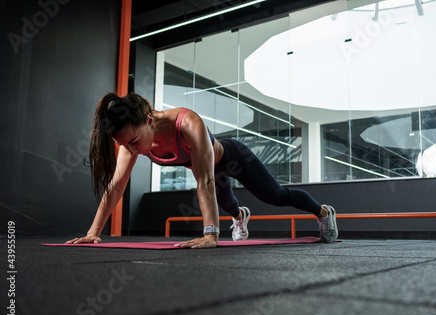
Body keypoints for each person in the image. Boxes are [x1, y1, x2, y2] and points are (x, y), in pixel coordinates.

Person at [66, 93, 338, 249]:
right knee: (230, 204)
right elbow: (116, 187)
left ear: (149, 121)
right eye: (124, 145)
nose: (130, 150)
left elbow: (205, 179)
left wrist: (211, 234)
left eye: (134, 142)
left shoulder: (187, 122)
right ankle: (240, 217)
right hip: (208, 173)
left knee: (276, 196)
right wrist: (93, 232)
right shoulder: (131, 142)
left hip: (233, 156)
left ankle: (324, 212)